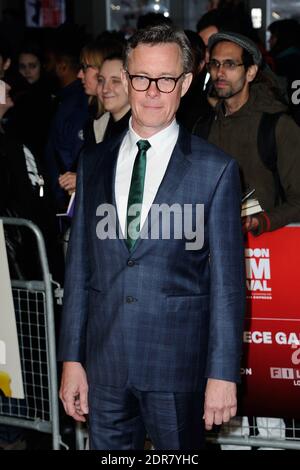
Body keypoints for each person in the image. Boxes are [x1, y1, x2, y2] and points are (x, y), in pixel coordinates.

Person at [58, 24, 245, 450]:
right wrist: (73, 359)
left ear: (184, 83)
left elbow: (228, 286)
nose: (152, 92)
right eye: (141, 78)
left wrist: (222, 374)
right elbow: (80, 269)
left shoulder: (214, 170)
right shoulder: (94, 161)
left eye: (165, 80)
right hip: (104, 366)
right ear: (126, 78)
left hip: (178, 366)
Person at [194, 31, 300, 235]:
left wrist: (260, 221)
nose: (220, 72)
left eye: (230, 64)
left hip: (269, 252)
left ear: (251, 72)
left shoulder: (278, 126)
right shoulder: (203, 127)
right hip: (212, 248)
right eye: (215, 64)